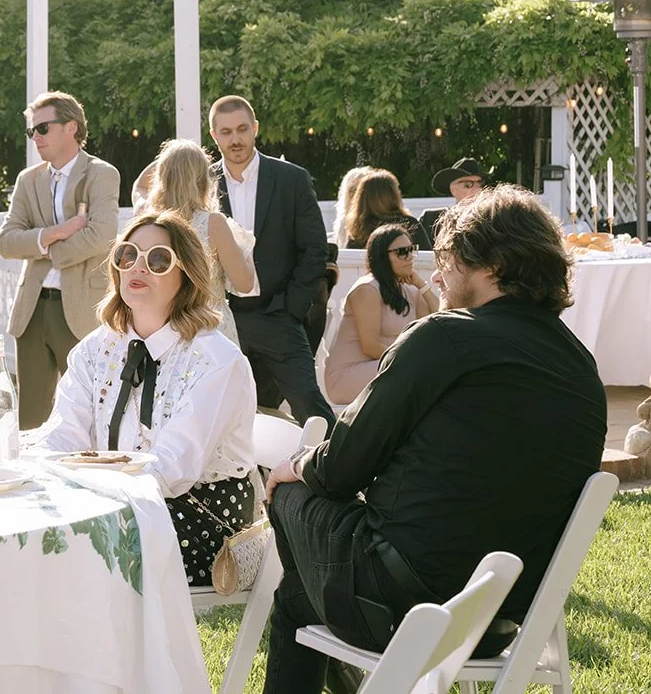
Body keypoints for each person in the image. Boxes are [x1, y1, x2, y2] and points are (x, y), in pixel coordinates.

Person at [261, 186, 608, 694]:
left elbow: (340, 470)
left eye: (447, 258)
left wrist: (296, 465)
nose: (436, 273)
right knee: (302, 591)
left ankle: (367, 668)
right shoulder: (581, 368)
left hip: (401, 606)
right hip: (496, 622)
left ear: (492, 266)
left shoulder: (444, 336)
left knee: (289, 496)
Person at [39, 211, 257, 585]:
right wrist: (41, 477)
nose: (138, 266)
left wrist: (92, 499)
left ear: (185, 274)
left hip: (200, 515)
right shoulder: (97, 349)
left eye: (158, 259)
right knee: (31, 536)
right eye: (127, 255)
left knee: (71, 554)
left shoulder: (216, 360)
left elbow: (172, 469)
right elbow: (63, 434)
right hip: (116, 502)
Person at [208, 95, 335, 429]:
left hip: (278, 315)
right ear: (214, 135)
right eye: (226, 132)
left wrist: (291, 307)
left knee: (310, 406)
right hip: (223, 320)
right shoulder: (202, 183)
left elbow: (314, 249)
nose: (235, 139)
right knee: (228, 415)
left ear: (255, 129)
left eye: (242, 129)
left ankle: (339, 478)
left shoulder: (291, 179)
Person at [0, 91, 121, 429]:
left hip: (82, 307)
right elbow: (6, 242)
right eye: (32, 131)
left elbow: (102, 235)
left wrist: (45, 250)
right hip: (33, 308)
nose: (35, 137)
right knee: (31, 417)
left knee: (90, 413)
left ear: (71, 127)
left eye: (43, 128)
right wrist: (56, 233)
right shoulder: (29, 179)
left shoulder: (101, 174)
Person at [141, 138, 259, 345]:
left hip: (161, 328)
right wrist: (246, 248)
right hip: (208, 327)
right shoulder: (213, 224)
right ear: (204, 180)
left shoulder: (148, 223)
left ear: (162, 178)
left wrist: (170, 163)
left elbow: (138, 186)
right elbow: (245, 284)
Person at [324, 224, 438, 405]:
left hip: (386, 367)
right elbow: (369, 346)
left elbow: (437, 318)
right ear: (382, 257)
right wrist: (411, 360)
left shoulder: (410, 290)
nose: (409, 257)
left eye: (411, 250)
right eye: (402, 252)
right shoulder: (367, 288)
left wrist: (421, 285)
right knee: (418, 372)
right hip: (349, 374)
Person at [340, 168, 431, 251]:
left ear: (362, 198)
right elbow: (429, 258)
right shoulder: (410, 225)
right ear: (393, 196)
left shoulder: (358, 230)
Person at [418, 156, 489, 244]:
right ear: (453, 190)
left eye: (479, 183)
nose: (477, 189)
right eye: (468, 184)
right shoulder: (431, 220)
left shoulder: (490, 220)